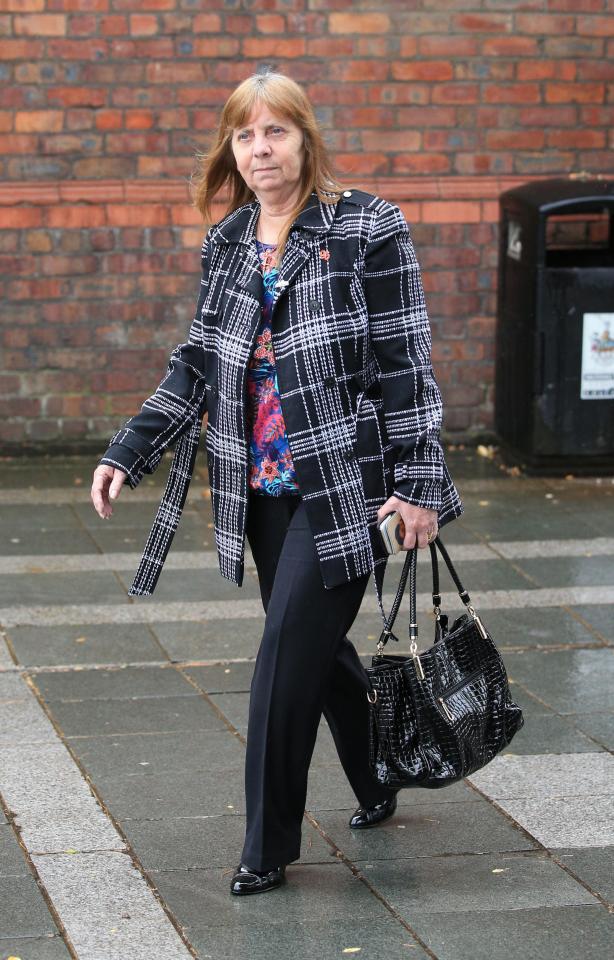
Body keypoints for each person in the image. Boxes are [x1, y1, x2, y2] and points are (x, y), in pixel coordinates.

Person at [91, 71, 463, 896]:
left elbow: (407, 361)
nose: (261, 150)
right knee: (313, 648)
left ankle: (267, 847)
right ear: (232, 148)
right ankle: (377, 776)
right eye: (245, 135)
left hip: (348, 484)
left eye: (277, 133)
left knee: (280, 663)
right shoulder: (226, 243)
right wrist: (129, 449)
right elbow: (196, 361)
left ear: (306, 137)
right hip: (258, 486)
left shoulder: (367, 227)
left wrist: (420, 486)